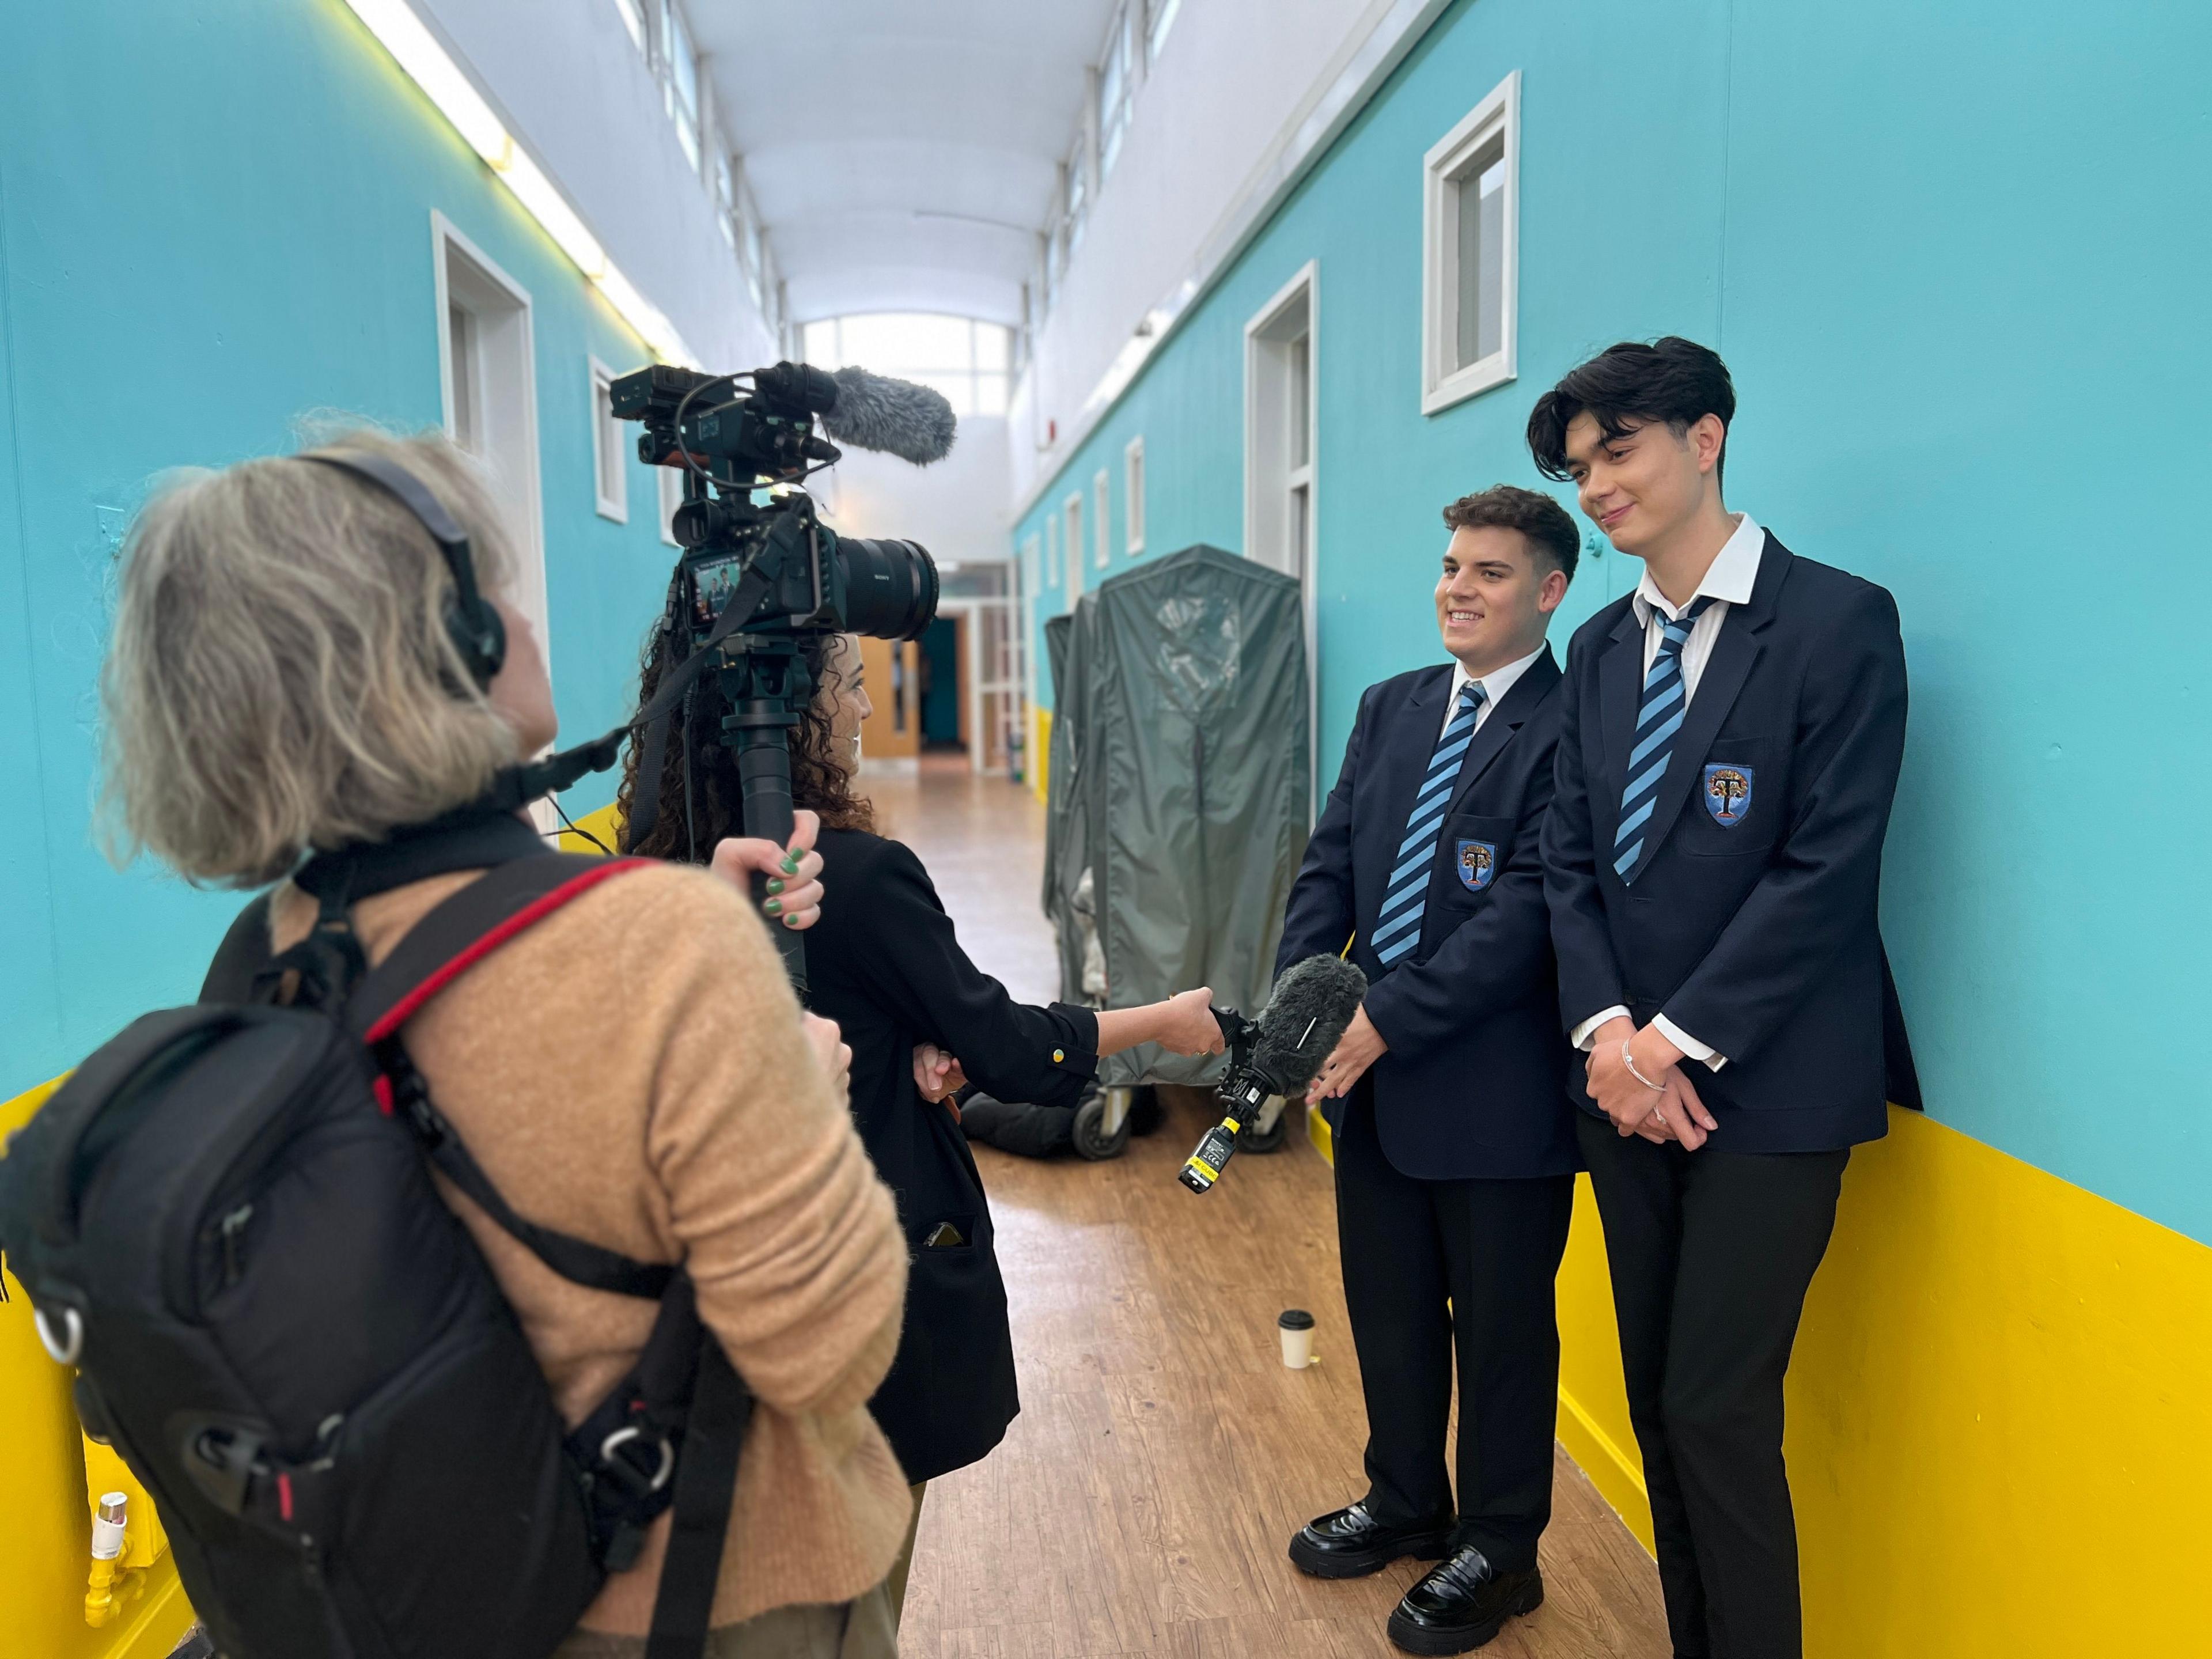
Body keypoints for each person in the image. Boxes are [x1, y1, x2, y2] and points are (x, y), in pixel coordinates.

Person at [99, 427, 911, 1659]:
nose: (527, 624)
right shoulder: (667, 956)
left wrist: (688, 921)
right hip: (709, 1609)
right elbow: (835, 1349)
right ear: (448, 648)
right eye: (498, 592)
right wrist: (783, 1069)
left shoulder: (257, 963)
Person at [616, 626, 1224, 1619]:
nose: (862, 708)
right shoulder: (851, 874)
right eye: (849, 687)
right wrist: (1163, 1021)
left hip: (705, 1281)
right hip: (860, 1252)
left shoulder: (657, 870)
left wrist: (909, 1037)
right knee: (855, 1594)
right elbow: (1012, 1050)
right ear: (793, 709)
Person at [1529, 338, 1916, 1659]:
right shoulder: (1595, 651)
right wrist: (1606, 1040)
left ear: (1707, 438)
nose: (1595, 487)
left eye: (1617, 451)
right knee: (1658, 1407)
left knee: (1717, 1406)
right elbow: (1566, 859)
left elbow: (1827, 865)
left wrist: (1669, 1046)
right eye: (1579, 468)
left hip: (1773, 1086)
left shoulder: (1835, 621)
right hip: (1623, 1089)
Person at [1275, 486, 1581, 1656]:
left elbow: (1530, 909)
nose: (1459, 587)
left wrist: (1388, 1019)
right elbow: (1334, 861)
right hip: (1371, 1089)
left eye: (1492, 573)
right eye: (1454, 566)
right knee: (1389, 1309)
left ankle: (1503, 1551)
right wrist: (1312, 1001)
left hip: (1497, 1094)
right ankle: (1407, 1502)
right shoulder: (1392, 707)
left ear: (1549, 592)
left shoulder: (1572, 724)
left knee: (1504, 1329)